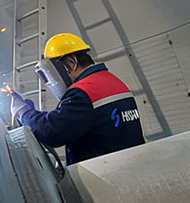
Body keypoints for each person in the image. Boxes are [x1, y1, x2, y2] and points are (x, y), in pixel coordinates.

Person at [10, 32, 144, 164]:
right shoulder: (114, 81)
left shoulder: (82, 92)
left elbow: (52, 132)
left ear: (71, 62)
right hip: (130, 167)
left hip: (104, 174)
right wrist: (35, 115)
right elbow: (74, 117)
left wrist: (23, 112)